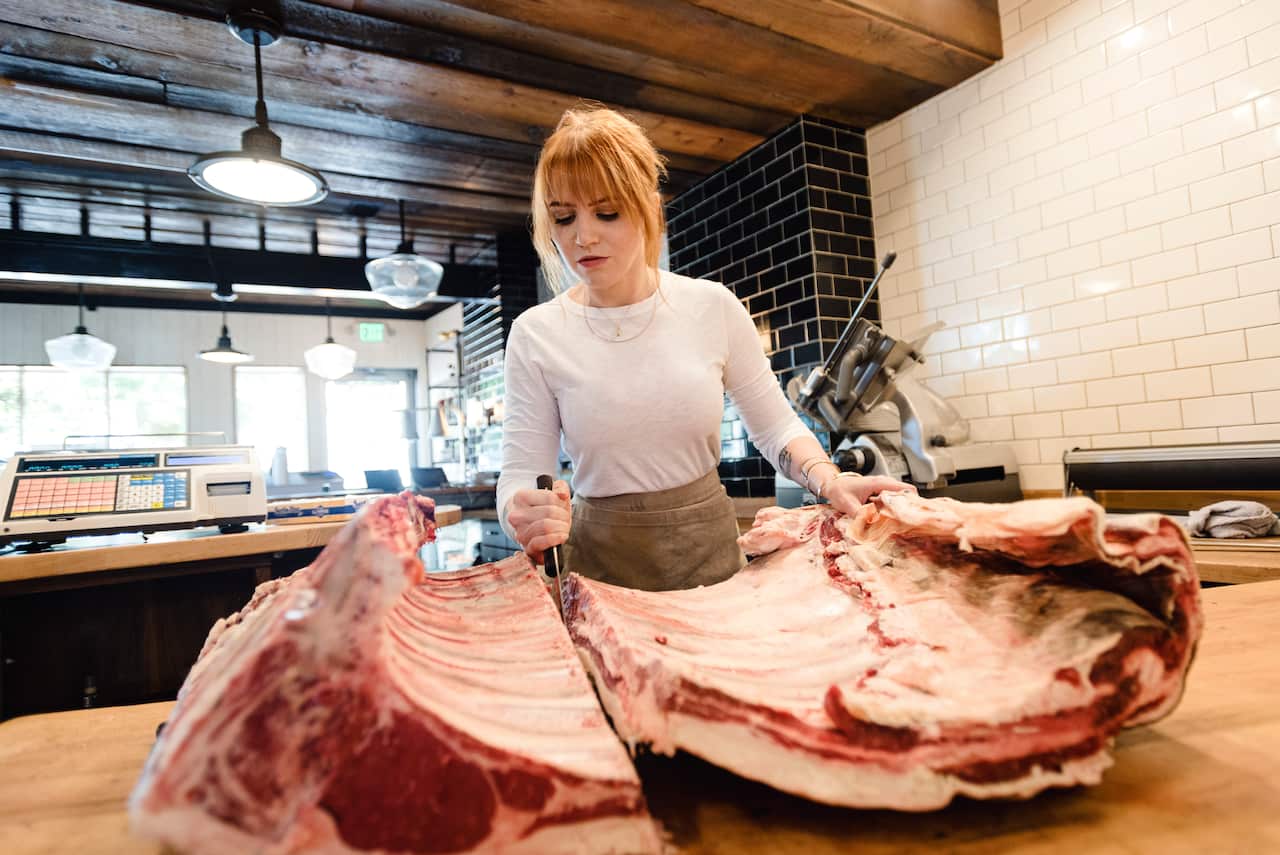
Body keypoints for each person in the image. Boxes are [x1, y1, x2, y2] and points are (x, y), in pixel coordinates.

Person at [496, 105, 912, 591]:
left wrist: (829, 479)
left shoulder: (711, 306)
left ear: (650, 208)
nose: (582, 236)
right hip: (599, 568)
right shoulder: (536, 332)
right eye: (563, 218)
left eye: (606, 212)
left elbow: (775, 425)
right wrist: (520, 513)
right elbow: (522, 472)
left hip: (709, 555)